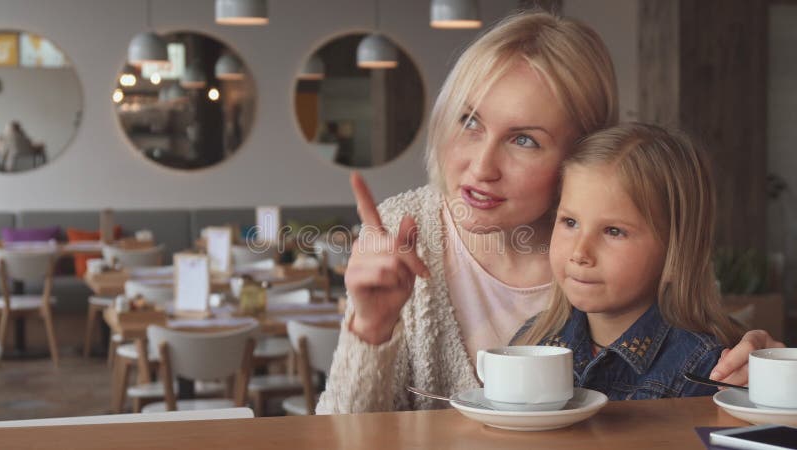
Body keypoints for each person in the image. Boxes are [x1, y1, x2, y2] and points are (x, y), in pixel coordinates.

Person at [317, 11, 781, 414]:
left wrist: (761, 368)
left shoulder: (632, 250)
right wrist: (371, 328)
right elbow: (339, 432)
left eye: (524, 140)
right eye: (470, 121)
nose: (480, 167)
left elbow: (700, 340)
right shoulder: (402, 225)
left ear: (582, 153)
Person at [510, 123, 742, 399]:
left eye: (613, 231)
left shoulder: (708, 371)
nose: (580, 253)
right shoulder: (533, 340)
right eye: (570, 222)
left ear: (675, 250)